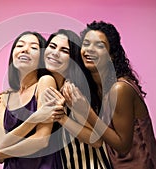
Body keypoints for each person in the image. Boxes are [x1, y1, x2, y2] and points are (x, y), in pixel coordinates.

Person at [46, 21, 156, 169]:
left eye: (100, 45)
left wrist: (86, 111)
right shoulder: (97, 88)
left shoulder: (120, 88)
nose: (90, 50)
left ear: (111, 55)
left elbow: (122, 146)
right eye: (86, 43)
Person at [41, 29, 112, 169]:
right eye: (52, 46)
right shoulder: (49, 86)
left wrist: (62, 118)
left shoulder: (72, 91)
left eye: (64, 51)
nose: (55, 53)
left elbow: (96, 140)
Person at [0, 31, 63, 169]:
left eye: (34, 47)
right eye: (20, 45)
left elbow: (41, 140)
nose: (25, 49)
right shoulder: (4, 98)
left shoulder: (45, 82)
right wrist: (36, 118)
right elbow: (2, 143)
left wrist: (2, 154)